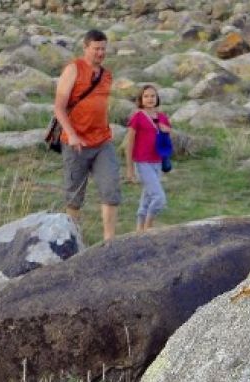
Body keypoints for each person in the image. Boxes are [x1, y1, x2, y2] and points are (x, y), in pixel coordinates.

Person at [53, 29, 120, 242]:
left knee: (111, 189)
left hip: (102, 141)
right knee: (74, 197)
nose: (101, 53)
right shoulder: (73, 69)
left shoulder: (107, 74)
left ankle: (109, 241)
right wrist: (71, 134)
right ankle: (74, 240)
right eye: (96, 48)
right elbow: (59, 107)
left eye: (103, 49)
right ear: (85, 47)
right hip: (75, 143)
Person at [123, 84, 172, 232]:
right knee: (159, 198)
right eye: (146, 96)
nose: (150, 99)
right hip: (142, 162)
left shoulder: (162, 117)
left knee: (147, 198)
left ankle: (139, 229)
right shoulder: (138, 117)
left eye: (153, 96)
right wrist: (130, 169)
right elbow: (129, 143)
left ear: (157, 98)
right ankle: (148, 225)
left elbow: (167, 139)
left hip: (157, 162)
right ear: (141, 99)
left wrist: (167, 131)